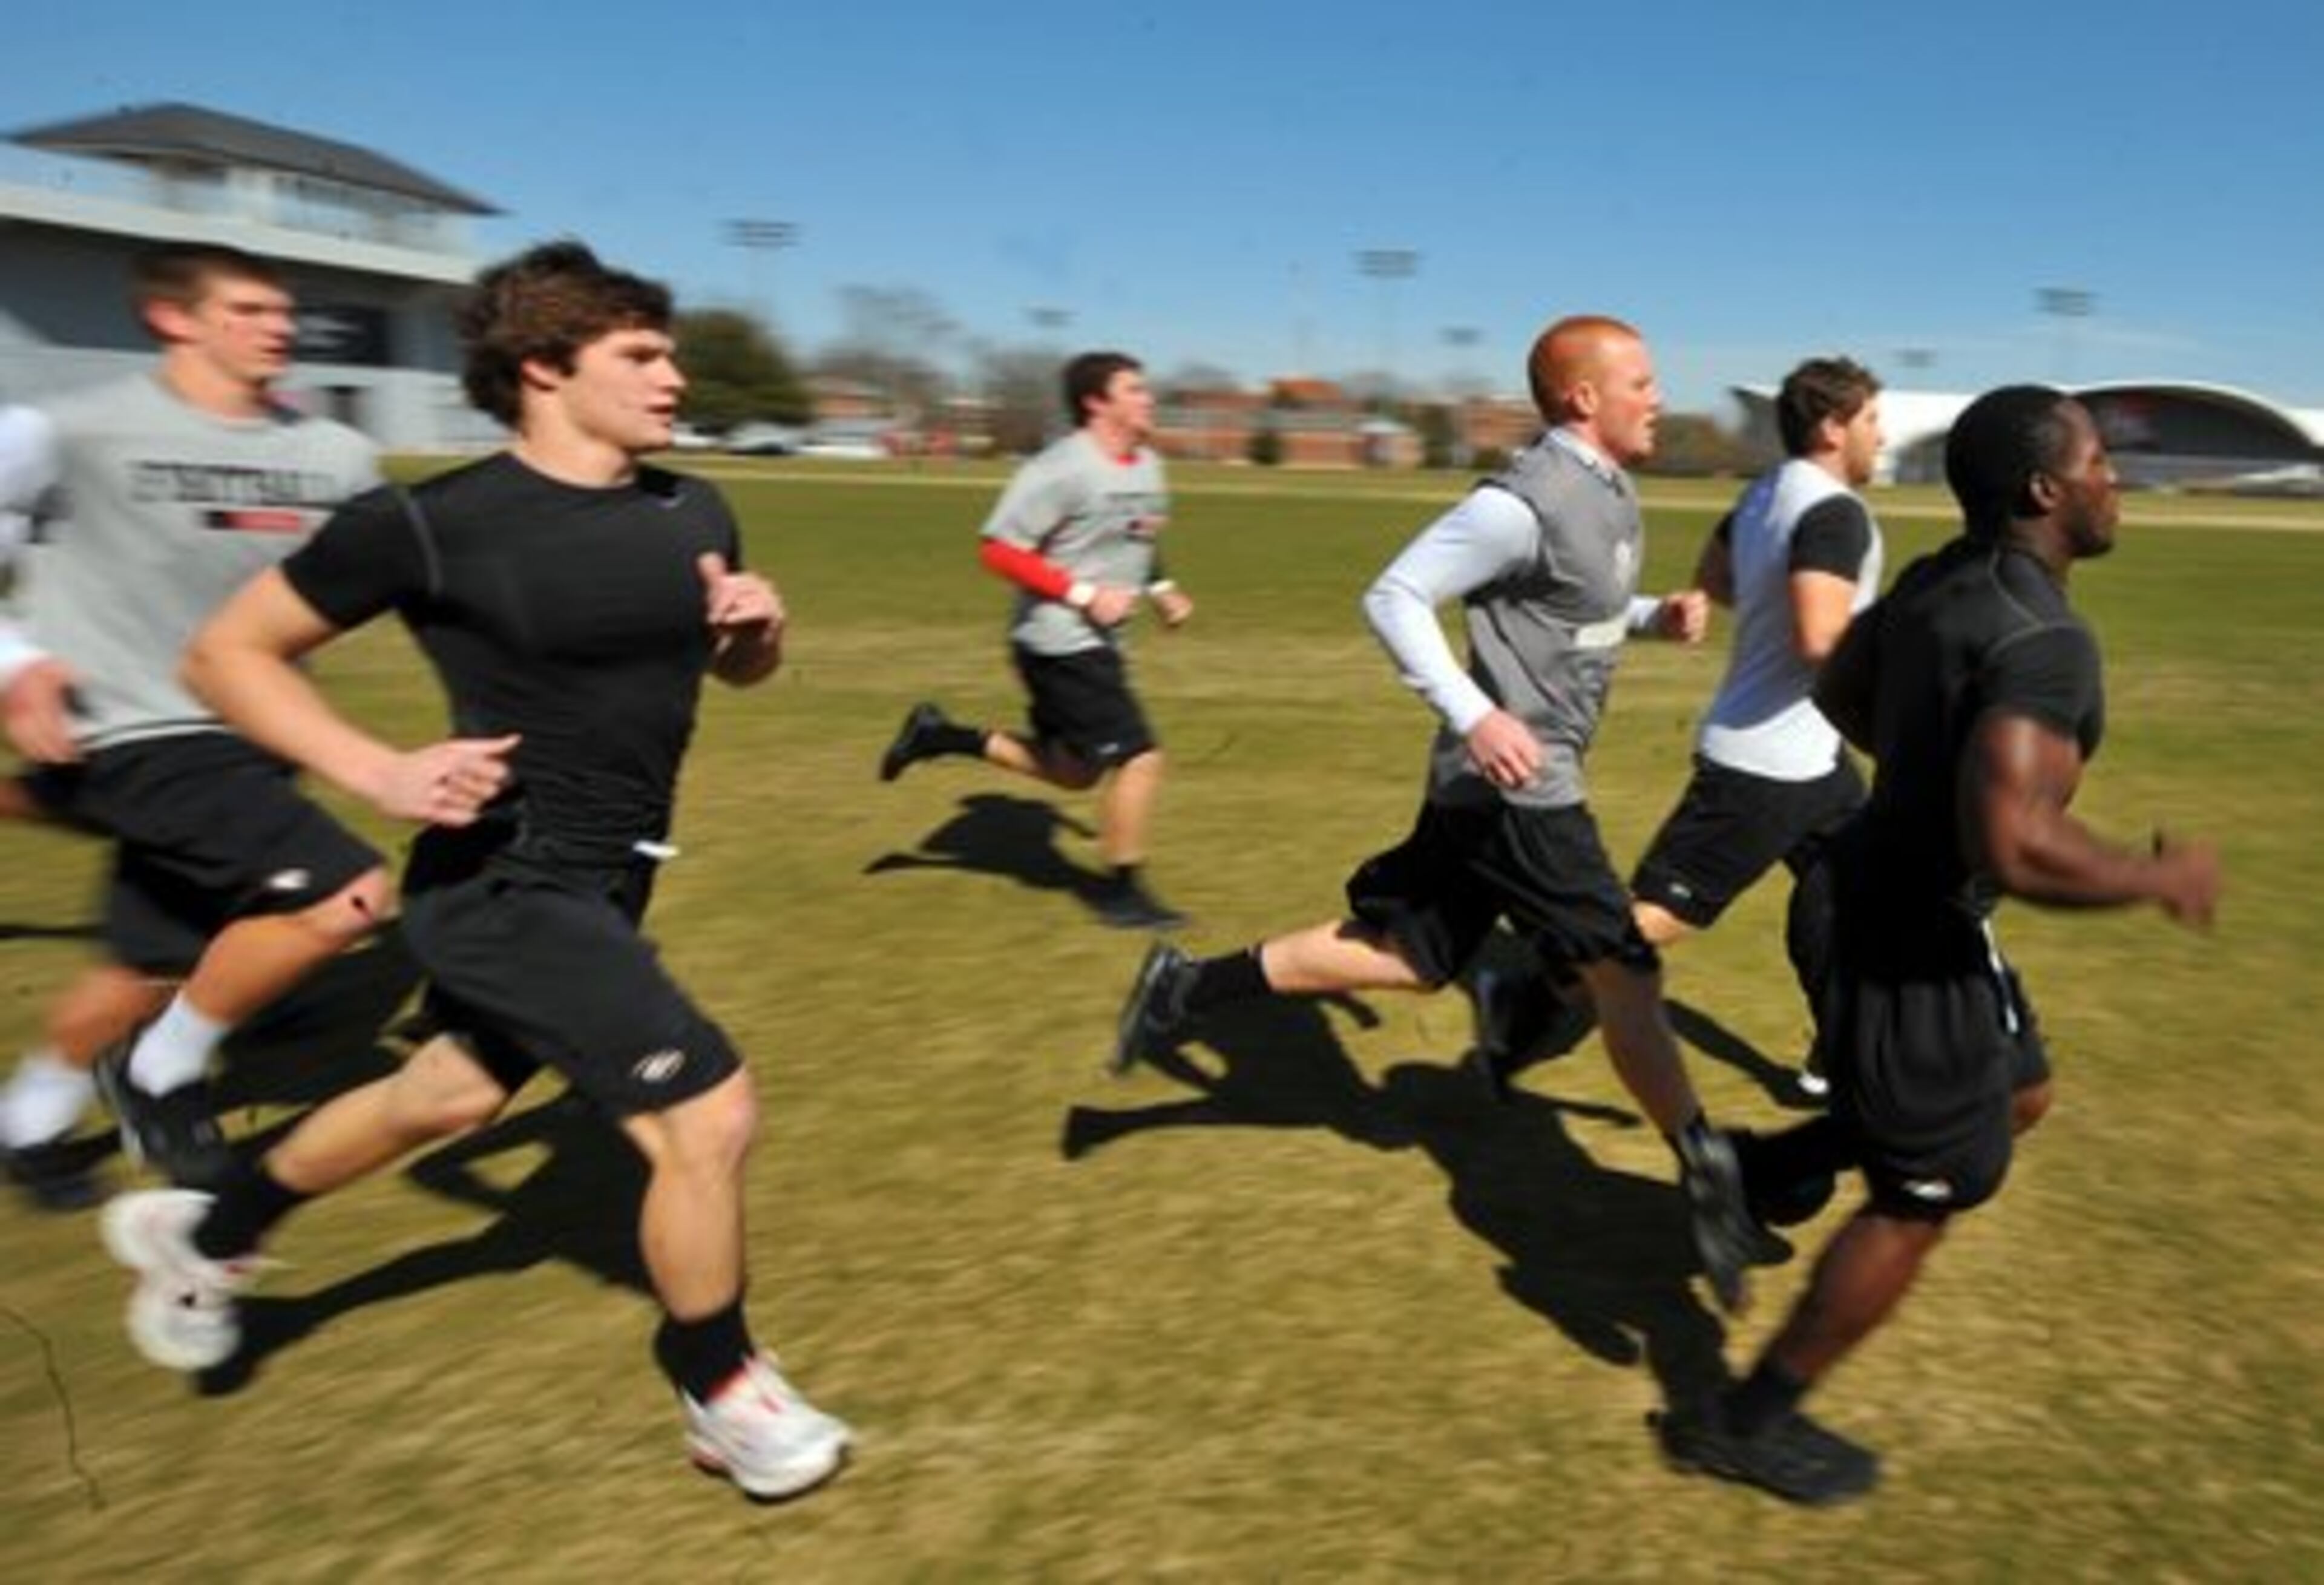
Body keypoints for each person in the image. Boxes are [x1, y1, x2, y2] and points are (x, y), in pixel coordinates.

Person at [99, 240, 850, 1501]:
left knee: (444, 1097)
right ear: (545, 368)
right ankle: (721, 1388)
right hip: (503, 873)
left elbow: (729, 675)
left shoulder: (693, 509)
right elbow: (228, 656)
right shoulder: (429, 523)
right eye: (642, 355)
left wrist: (755, 640)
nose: (674, 375)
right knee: (708, 1112)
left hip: (618, 871)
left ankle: (212, 1228)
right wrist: (379, 771)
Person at [1111, 315, 1766, 1314]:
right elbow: (1396, 595)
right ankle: (1704, 1165)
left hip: (1488, 782)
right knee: (1626, 965)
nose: (1660, 394)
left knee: (1413, 960)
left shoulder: (1612, 489)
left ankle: (1185, 987)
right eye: (1641, 379)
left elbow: (1557, 610)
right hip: (1518, 785)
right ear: (1583, 397)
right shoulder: (1521, 499)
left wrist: (1651, 617)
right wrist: (1478, 709)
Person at [1653, 386, 2221, 1505]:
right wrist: (2157, 874)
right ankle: (1740, 1419)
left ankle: (1764, 1166)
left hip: (1901, 902)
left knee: (2019, 1090)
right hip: (1906, 935)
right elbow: (2015, 842)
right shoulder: (2046, 639)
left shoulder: (1938, 580)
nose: (2120, 480)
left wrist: (1921, 776)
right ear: (2046, 488)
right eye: (2102, 460)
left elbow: (1840, 684)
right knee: (1931, 1187)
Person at [0, 244, 387, 1209]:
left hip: (257, 738)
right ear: (173, 318)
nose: (279, 325)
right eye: (250, 308)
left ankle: (30, 1126)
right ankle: (161, 1072)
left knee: (153, 958)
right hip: (129, 728)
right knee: (346, 893)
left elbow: (417, 568)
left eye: (283, 309)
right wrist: (15, 667)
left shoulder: (336, 455)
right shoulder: (63, 431)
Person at [877, 351, 1193, 930]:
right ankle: (1120, 892)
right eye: (1135, 389)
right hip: (1059, 641)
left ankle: (938, 735)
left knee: (1072, 772)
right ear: (1098, 402)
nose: (1149, 398)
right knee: (1141, 759)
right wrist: (1084, 596)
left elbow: (1137, 534)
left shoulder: (1146, 464)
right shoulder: (1060, 468)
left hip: (1095, 640)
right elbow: (998, 548)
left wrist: (1163, 586)